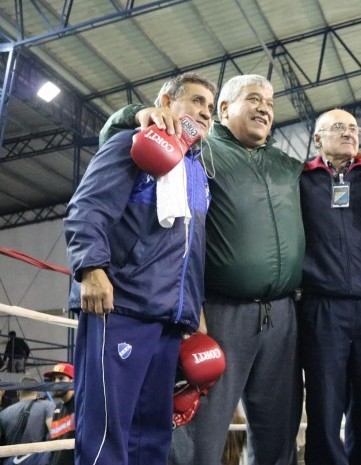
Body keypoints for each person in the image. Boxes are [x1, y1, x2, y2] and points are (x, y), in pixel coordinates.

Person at [99, 74, 305, 465]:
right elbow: (117, 134)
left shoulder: (286, 165)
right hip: (222, 310)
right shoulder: (203, 149)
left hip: (281, 314)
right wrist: (136, 114)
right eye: (254, 99)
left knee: (280, 433)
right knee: (202, 432)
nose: (265, 107)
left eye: (271, 102)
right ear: (224, 110)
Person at [65, 72, 215, 465]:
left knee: (152, 439)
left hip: (167, 320)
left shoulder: (197, 172)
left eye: (211, 109)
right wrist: (91, 269)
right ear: (166, 101)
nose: (205, 113)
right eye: (197, 101)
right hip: (121, 307)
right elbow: (87, 207)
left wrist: (193, 311)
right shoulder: (129, 143)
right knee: (107, 438)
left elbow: (190, 250)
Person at [299, 109, 361, 465]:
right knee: (324, 406)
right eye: (338, 127)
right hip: (322, 307)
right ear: (317, 138)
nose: (349, 133)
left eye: (354, 128)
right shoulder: (300, 179)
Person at [0, 377, 54, 459]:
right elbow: (54, 434)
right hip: (37, 460)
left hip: (11, 461)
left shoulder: (3, 414)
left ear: (18, 392)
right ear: (37, 392)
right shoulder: (47, 406)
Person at [44, 363, 75, 465]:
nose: (56, 382)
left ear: (73, 381)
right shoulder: (57, 408)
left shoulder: (82, 406)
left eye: (61, 378)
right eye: (54, 379)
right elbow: (54, 444)